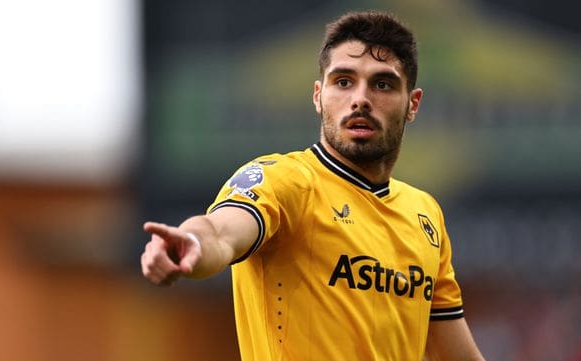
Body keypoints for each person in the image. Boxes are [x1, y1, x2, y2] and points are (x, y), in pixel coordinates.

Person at [141, 10, 486, 361]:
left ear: (412, 104)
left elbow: (454, 354)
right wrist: (193, 243)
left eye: (382, 84)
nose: (360, 99)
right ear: (318, 95)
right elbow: (221, 231)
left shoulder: (424, 214)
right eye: (343, 81)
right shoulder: (285, 181)